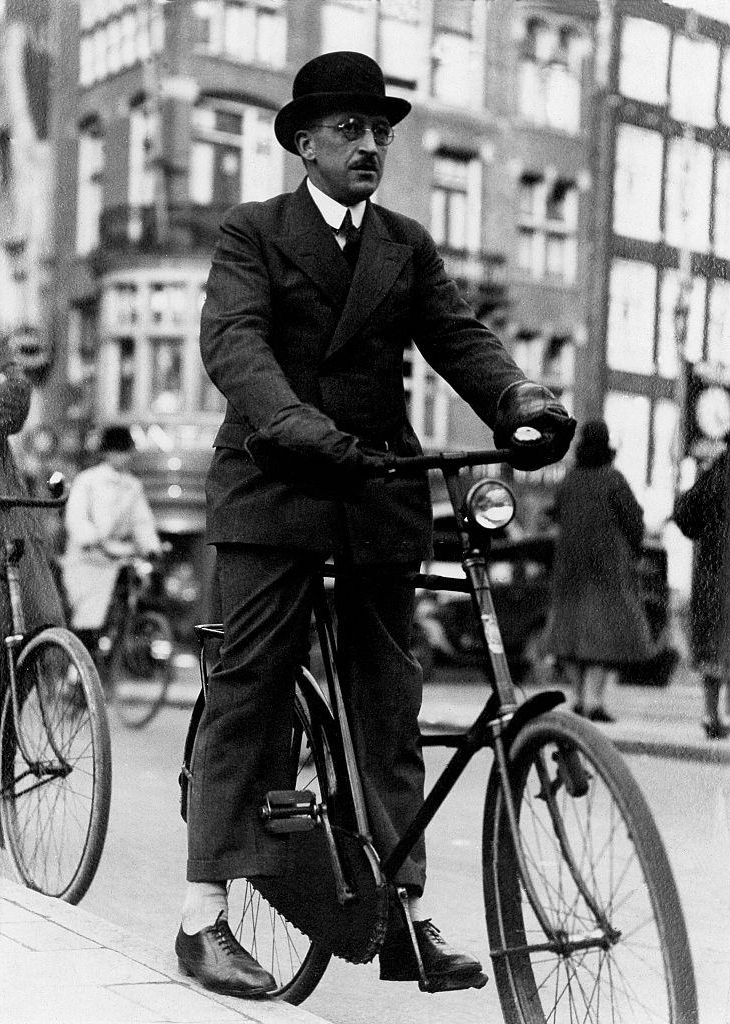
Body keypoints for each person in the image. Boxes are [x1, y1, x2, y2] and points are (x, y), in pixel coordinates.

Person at [177, 50, 576, 998]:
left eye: (380, 131)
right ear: (304, 144)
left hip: (374, 487)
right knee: (252, 687)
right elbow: (233, 340)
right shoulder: (254, 232)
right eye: (350, 130)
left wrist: (520, 398)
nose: (370, 145)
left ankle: (397, 911)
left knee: (387, 703)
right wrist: (288, 419)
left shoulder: (404, 242)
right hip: (276, 483)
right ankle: (202, 917)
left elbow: (458, 337)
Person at [545, 419, 657, 723]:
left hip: (570, 571)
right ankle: (593, 701)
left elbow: (554, 514)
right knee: (604, 637)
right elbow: (634, 520)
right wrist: (636, 551)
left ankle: (580, 698)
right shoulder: (613, 479)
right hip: (608, 569)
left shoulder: (570, 480)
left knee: (570, 638)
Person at [0, 331, 66, 771]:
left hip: (1, 508)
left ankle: (2, 744)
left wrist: (5, 386)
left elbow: (15, 402)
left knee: (37, 620)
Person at [61, 425, 162, 652]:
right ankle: (78, 669)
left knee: (125, 600)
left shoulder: (132, 486)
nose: (123, 457)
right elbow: (76, 516)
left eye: (126, 452)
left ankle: (114, 654)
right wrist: (90, 538)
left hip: (116, 556)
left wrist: (151, 545)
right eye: (118, 451)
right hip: (87, 559)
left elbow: (141, 520)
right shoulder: (87, 480)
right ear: (107, 453)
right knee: (86, 617)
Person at [673, 444, 730, 739]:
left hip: (711, 573)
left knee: (713, 645)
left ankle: (711, 714)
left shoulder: (715, 472)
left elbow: (682, 512)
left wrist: (705, 533)